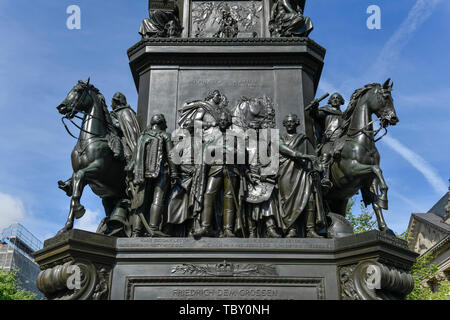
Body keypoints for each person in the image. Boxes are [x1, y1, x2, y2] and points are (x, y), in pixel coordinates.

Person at [194, 111, 243, 238]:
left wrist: (233, 152)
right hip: (216, 167)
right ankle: (205, 226)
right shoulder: (212, 134)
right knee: (208, 195)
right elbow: (206, 149)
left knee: (229, 198)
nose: (222, 121)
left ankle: (228, 229)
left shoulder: (236, 136)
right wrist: (220, 149)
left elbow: (242, 153)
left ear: (228, 122)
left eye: (225, 119)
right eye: (220, 119)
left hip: (231, 169)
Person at [128, 114, 178, 237]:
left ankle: (136, 231)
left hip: (142, 174)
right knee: (157, 199)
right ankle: (153, 228)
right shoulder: (165, 135)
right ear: (162, 124)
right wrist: (175, 172)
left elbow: (134, 159)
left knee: (141, 201)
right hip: (161, 173)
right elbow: (171, 155)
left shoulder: (142, 137)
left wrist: (130, 172)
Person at [278, 114, 325, 238]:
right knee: (287, 200)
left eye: (292, 122)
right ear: (284, 124)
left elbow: (313, 156)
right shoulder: (279, 138)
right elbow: (282, 149)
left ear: (296, 123)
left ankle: (310, 230)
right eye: (287, 122)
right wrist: (302, 155)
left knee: (309, 200)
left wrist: (316, 169)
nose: (289, 124)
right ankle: (291, 228)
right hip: (286, 172)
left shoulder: (303, 139)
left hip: (303, 172)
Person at [310, 92, 345, 189]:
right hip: (329, 141)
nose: (335, 99)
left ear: (341, 101)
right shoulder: (325, 111)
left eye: (338, 98)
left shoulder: (345, 115)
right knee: (325, 154)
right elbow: (315, 115)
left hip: (342, 141)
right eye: (333, 98)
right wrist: (314, 106)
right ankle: (325, 178)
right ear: (329, 101)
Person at [110, 92, 141, 164]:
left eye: (113, 101)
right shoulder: (115, 113)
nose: (111, 104)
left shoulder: (125, 112)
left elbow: (128, 130)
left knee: (127, 155)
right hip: (113, 138)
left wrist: (113, 123)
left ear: (117, 102)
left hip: (123, 139)